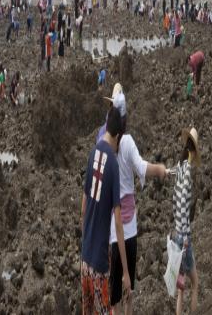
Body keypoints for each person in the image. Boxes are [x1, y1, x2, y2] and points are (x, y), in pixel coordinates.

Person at [109, 118, 169, 315]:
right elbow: (142, 167)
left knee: (115, 291)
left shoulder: (105, 142)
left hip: (113, 227)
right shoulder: (126, 142)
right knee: (127, 287)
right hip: (127, 226)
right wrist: (160, 169)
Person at [81, 107, 130, 314]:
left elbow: (83, 207)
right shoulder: (113, 164)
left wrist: (85, 243)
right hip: (100, 265)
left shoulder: (93, 153)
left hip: (85, 260)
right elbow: (118, 223)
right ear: (118, 136)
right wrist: (126, 271)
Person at [171, 127, 201, 315]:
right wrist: (185, 235)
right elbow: (182, 204)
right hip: (184, 237)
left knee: (181, 288)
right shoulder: (188, 170)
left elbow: (175, 201)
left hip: (176, 235)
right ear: (194, 150)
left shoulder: (180, 167)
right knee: (195, 283)